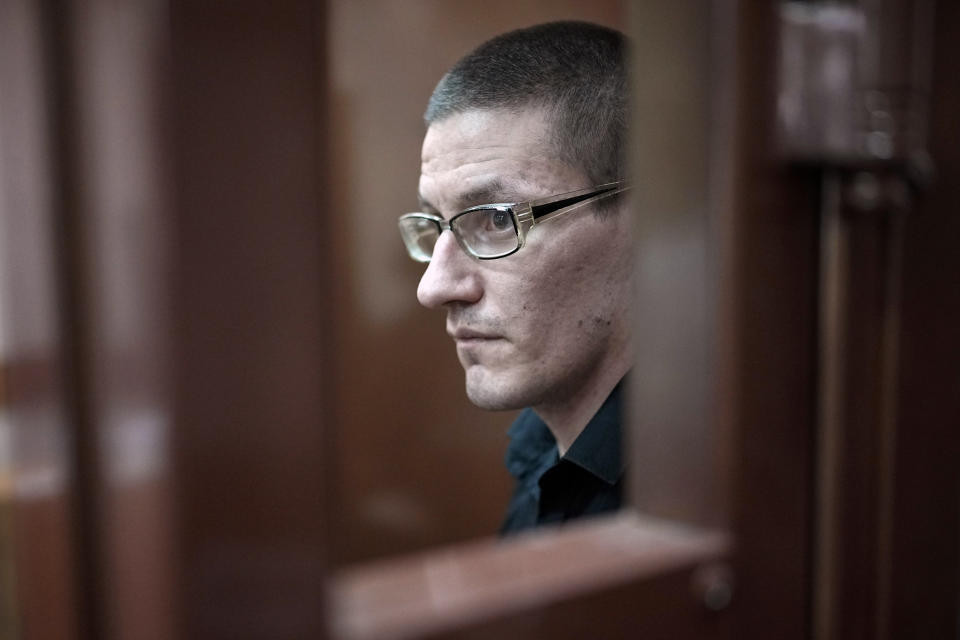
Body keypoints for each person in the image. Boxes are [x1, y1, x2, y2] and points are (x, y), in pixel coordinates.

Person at [397, 21, 632, 535]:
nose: (433, 288)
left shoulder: (696, 495)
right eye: (435, 226)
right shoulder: (539, 451)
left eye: (497, 218)